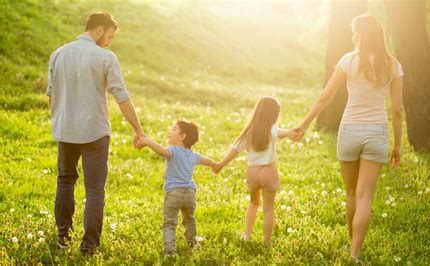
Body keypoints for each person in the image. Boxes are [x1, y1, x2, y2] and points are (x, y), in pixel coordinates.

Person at [290, 14, 403, 263]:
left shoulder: (349, 60)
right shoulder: (392, 64)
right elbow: (396, 110)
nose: (352, 36)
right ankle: (355, 254)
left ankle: (352, 249)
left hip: (350, 130)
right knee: (365, 196)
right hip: (377, 133)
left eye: (354, 32)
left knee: (351, 193)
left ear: (361, 35)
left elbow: (325, 97)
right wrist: (397, 145)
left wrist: (304, 124)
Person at [47, 11, 145, 253]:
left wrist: (61, 121)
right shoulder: (105, 57)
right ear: (99, 30)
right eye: (110, 36)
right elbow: (121, 97)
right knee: (94, 191)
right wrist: (138, 129)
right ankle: (89, 246)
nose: (110, 42)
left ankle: (63, 239)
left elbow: (51, 96)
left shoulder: (58, 54)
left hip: (66, 131)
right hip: (95, 132)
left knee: (65, 182)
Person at [213, 96, 291, 246]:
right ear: (273, 115)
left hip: (252, 173)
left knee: (253, 203)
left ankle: (247, 234)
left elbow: (235, 149)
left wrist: (221, 164)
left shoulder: (249, 130)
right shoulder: (272, 128)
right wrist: (292, 132)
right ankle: (266, 242)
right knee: (268, 208)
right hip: (268, 171)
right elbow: (281, 132)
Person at [136, 120, 216, 258]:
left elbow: (160, 150)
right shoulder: (192, 154)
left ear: (182, 136)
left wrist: (147, 141)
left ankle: (170, 252)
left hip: (174, 193)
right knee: (189, 219)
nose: (170, 131)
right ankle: (192, 243)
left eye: (173, 129)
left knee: (170, 223)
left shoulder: (172, 151)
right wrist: (216, 165)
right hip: (190, 193)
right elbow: (206, 160)